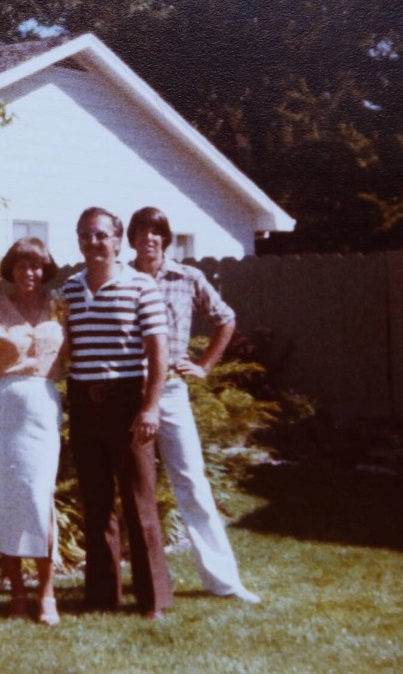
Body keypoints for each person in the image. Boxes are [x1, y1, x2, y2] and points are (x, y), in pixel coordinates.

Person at [128, 206, 260, 603]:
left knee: (192, 483)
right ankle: (141, 585)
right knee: (134, 488)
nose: (150, 239)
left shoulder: (187, 278)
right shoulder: (122, 278)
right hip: (128, 393)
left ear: (165, 239)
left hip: (169, 392)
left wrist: (203, 366)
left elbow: (226, 319)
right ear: (132, 238)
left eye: (157, 233)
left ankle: (225, 582)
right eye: (142, 232)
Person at [59, 206, 174, 619]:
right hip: (84, 402)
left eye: (101, 235)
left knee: (139, 501)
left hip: (128, 401)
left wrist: (150, 406)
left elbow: (158, 352)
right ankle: (102, 596)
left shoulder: (141, 286)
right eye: (86, 235)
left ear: (117, 240)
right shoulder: (69, 291)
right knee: (96, 501)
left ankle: (153, 599)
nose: (94, 243)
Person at [0, 237, 66, 626]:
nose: (30, 273)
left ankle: (47, 592)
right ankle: (17, 592)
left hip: (42, 406)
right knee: (5, 501)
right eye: (22, 266)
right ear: (11, 269)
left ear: (45, 270)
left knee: (39, 497)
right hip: (0, 409)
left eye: (37, 266)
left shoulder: (60, 308)